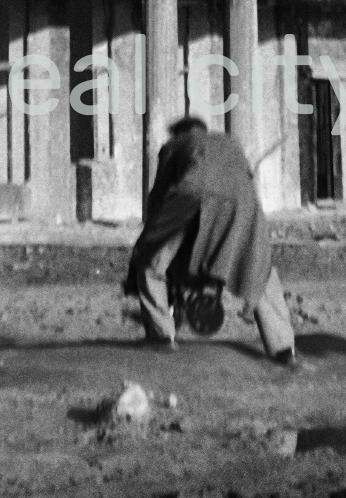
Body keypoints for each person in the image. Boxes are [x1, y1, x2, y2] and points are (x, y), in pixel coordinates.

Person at [125, 116, 299, 366]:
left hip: (191, 194)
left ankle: (161, 336)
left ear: (178, 133)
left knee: (150, 261)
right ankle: (284, 349)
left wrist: (152, 236)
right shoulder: (230, 142)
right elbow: (242, 183)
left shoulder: (175, 145)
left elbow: (159, 197)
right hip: (244, 204)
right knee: (258, 268)